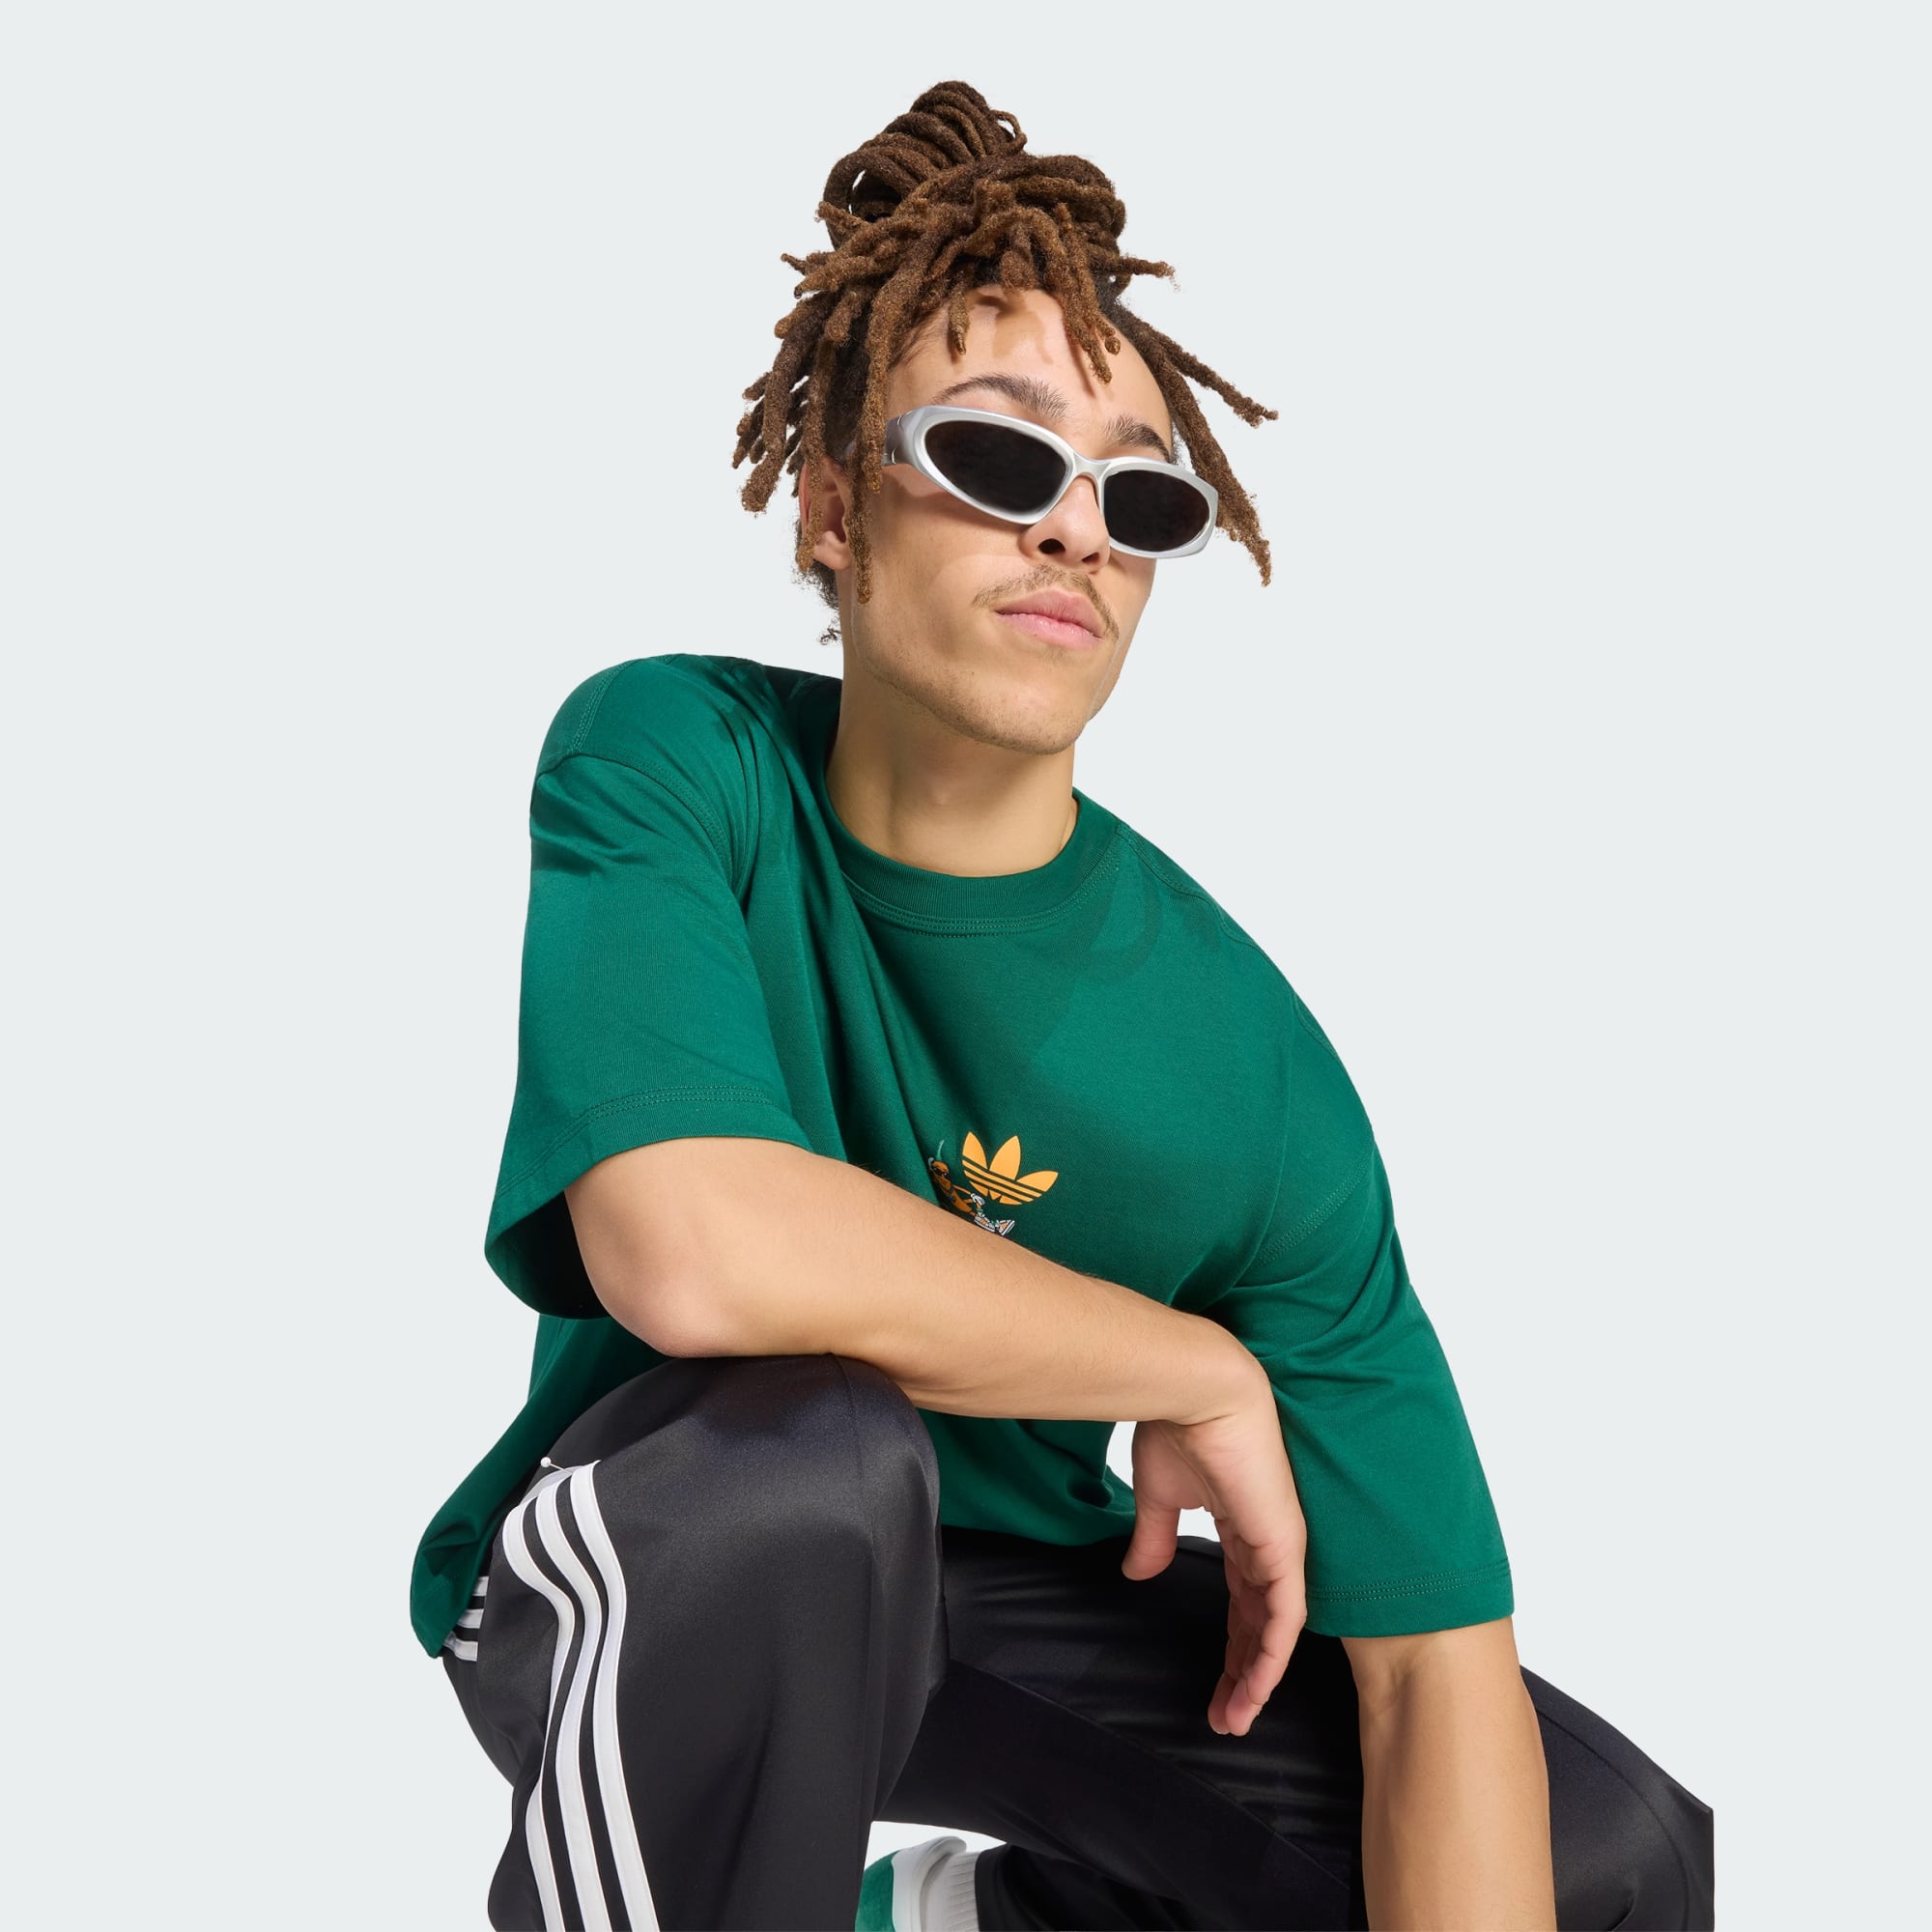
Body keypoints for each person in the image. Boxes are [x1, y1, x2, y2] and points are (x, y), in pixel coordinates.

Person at [409, 80, 1716, 1931]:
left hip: (1009, 1601)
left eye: (1137, 491)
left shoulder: (1242, 1065)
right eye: (1000, 458)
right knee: (817, 1467)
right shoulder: (674, 756)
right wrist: (1188, 1365)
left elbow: (1436, 1679)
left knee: (1611, 1855)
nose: (1077, 533)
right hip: (649, 1566)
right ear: (833, 508)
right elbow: (691, 1249)